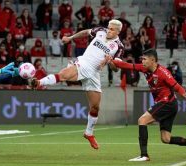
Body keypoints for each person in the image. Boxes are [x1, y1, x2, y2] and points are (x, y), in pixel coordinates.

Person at [31, 19, 125, 150]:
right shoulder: (100, 31)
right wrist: (70, 37)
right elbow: (86, 32)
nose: (108, 30)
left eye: (112, 29)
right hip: (84, 62)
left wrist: (110, 61)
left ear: (119, 31)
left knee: (95, 107)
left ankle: (89, 133)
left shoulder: (119, 46)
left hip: (94, 73)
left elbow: (116, 68)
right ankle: (39, 82)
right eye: (108, 28)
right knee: (64, 75)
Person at [108, 48, 186, 161]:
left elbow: (178, 87)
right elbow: (127, 65)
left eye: (144, 59)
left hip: (167, 102)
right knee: (166, 138)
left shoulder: (163, 73)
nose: (142, 61)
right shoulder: (144, 68)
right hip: (168, 104)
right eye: (142, 59)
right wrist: (111, 60)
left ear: (152, 60)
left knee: (142, 120)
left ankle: (144, 155)